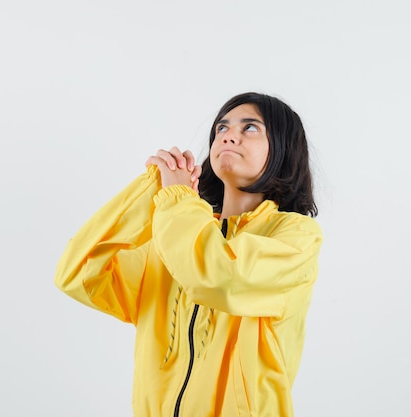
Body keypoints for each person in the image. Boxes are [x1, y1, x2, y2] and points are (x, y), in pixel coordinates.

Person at [54, 92, 323, 417]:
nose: (228, 134)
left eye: (250, 127)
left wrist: (178, 199)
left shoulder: (296, 237)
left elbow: (220, 278)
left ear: (283, 149)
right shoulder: (173, 235)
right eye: (221, 127)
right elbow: (78, 273)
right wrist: (152, 192)